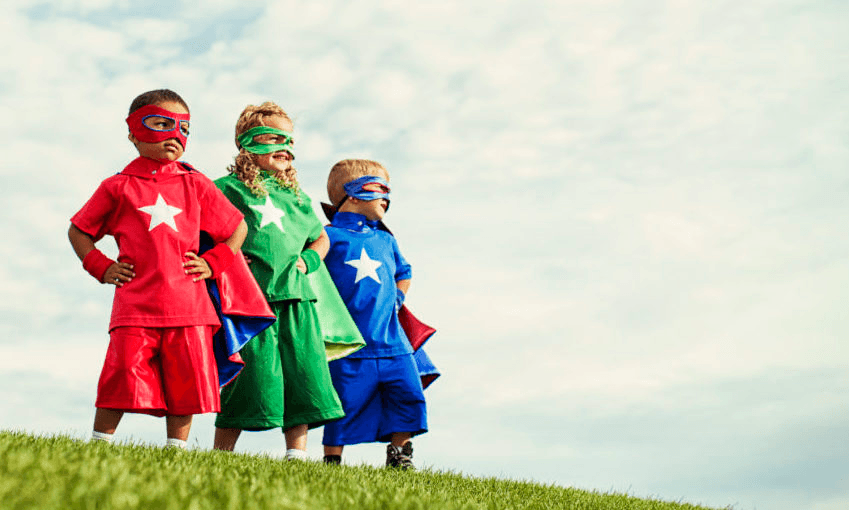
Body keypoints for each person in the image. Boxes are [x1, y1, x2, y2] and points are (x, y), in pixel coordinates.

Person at [68, 89, 248, 449]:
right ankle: (99, 443)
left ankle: (176, 451)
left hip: (190, 306)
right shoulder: (117, 186)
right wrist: (101, 266)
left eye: (184, 127)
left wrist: (214, 263)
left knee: (187, 380)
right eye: (161, 123)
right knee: (121, 372)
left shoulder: (196, 183)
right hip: (135, 304)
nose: (175, 134)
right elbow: (79, 230)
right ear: (134, 132)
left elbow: (236, 227)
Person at [212, 101, 347, 461]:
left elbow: (322, 237)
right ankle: (221, 453)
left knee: (303, 371)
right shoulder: (226, 189)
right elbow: (203, 229)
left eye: (289, 139)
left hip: (298, 299)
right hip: (249, 300)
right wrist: (224, 257)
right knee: (248, 375)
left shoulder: (298, 198)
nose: (285, 146)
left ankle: (296, 454)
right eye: (273, 138)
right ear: (247, 143)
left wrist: (308, 260)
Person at [321, 159, 428, 469]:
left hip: (393, 342)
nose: (387, 197)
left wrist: (398, 295)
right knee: (342, 404)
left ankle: (400, 457)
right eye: (379, 188)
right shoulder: (328, 236)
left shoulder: (385, 239)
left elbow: (405, 271)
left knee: (408, 395)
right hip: (348, 343)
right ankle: (332, 461)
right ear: (353, 194)